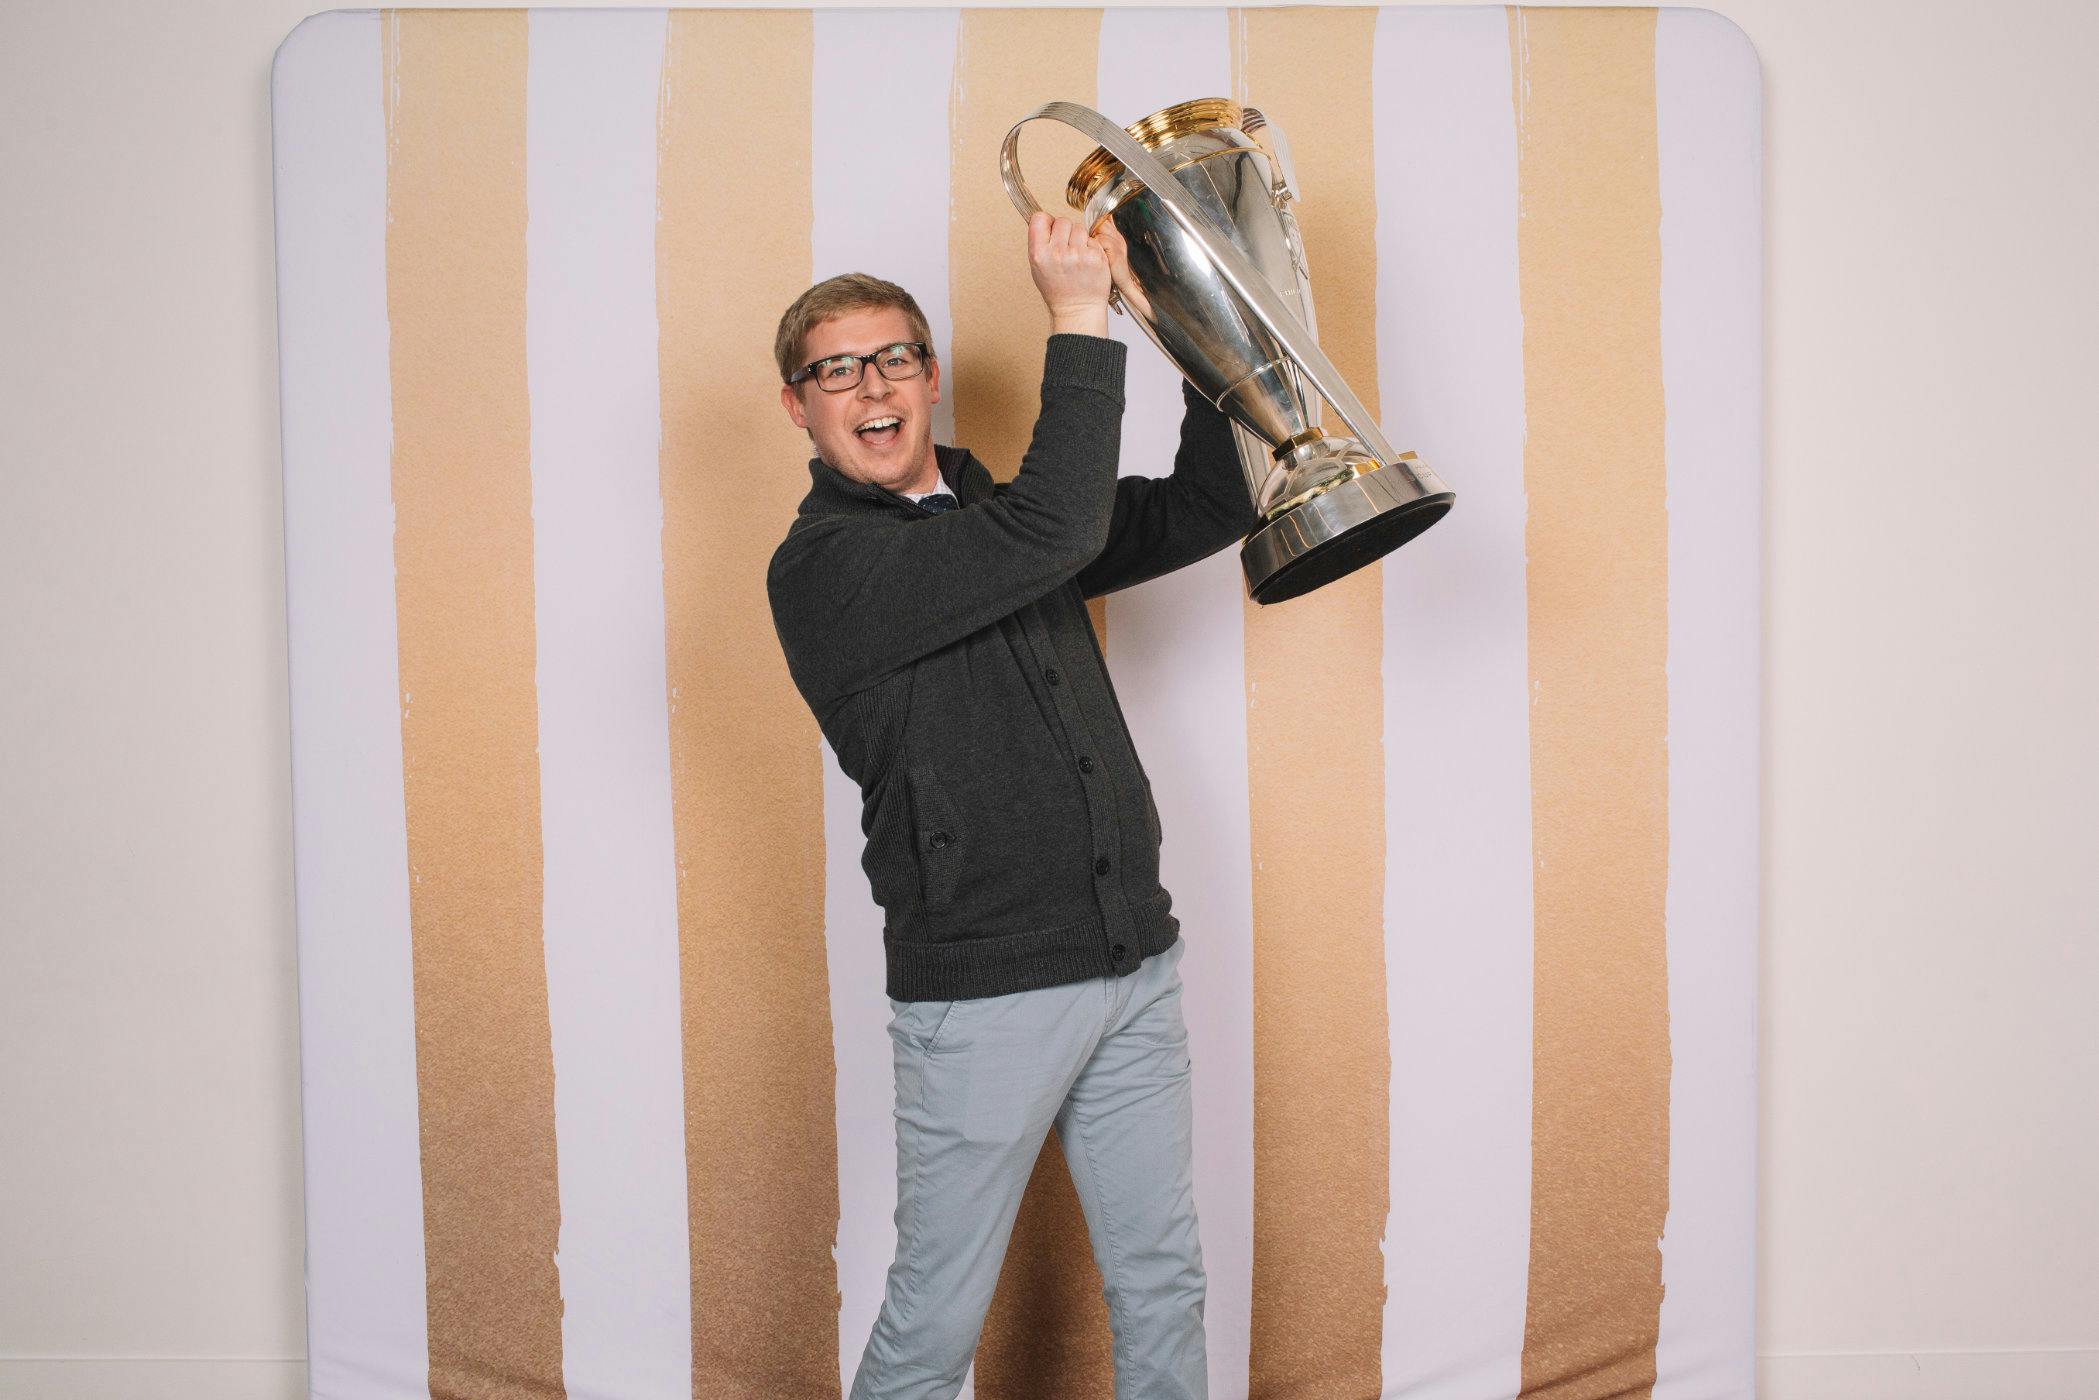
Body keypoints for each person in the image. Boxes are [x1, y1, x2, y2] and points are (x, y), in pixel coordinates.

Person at [765, 210, 1257, 1400]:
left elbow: (1209, 504)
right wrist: (1076, 317)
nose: (869, 386)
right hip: (981, 999)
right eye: (836, 369)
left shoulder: (998, 519)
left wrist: (1196, 325)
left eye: (891, 358)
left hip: (1129, 961)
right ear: (800, 406)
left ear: (929, 377)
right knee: (934, 1323)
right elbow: (1062, 522)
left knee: (1161, 1280)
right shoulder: (825, 566)